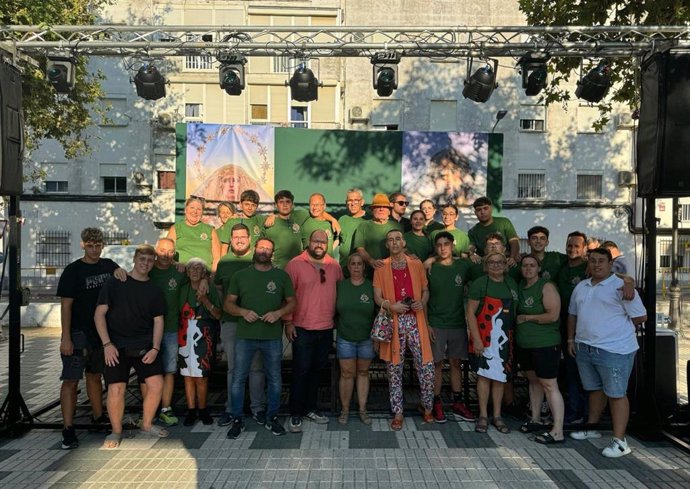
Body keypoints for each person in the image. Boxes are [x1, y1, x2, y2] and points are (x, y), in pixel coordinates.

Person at [567, 248, 647, 458]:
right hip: (585, 347)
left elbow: (640, 317)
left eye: (601, 261)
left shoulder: (621, 286)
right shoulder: (581, 287)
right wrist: (571, 339)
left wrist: (613, 327)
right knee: (594, 390)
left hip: (614, 349)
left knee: (616, 394)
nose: (597, 265)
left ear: (610, 264)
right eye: (592, 261)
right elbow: (572, 314)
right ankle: (593, 427)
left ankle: (620, 441)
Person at [94, 244, 169, 449]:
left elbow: (158, 321)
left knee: (156, 384)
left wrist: (155, 348)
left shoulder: (154, 290)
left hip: (144, 344)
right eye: (142, 259)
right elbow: (99, 314)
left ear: (153, 263)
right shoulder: (116, 282)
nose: (145, 263)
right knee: (116, 388)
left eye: (150, 260)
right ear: (134, 259)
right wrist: (107, 344)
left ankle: (146, 424)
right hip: (115, 345)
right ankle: (116, 430)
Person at [57, 228, 122, 449]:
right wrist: (66, 337)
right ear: (83, 245)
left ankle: (97, 417)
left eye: (98, 244)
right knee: (70, 381)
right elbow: (66, 306)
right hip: (78, 332)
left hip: (100, 334)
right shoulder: (73, 270)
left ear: (102, 245)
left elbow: (122, 278)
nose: (94, 248)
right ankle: (68, 428)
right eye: (90, 245)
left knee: (95, 376)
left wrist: (122, 272)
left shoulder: (109, 265)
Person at [224, 238, 296, 439]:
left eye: (268, 249)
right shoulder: (240, 276)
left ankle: (272, 417)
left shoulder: (281, 276)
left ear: (272, 253)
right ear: (255, 249)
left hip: (272, 337)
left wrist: (279, 313)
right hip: (244, 336)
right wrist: (242, 311)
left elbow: (292, 302)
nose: (264, 251)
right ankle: (237, 418)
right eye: (261, 247)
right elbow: (228, 304)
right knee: (238, 378)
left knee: (274, 378)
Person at [373, 229, 434, 431]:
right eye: (390, 240)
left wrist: (421, 303)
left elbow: (425, 290)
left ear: (404, 242)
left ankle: (427, 407)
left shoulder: (416, 265)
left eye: (398, 239)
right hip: (395, 322)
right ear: (387, 245)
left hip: (416, 321)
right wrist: (392, 306)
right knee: (394, 369)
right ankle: (398, 411)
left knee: (425, 367)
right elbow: (378, 298)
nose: (394, 242)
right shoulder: (381, 268)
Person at [285, 230, 344, 433]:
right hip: (302, 328)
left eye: (323, 241)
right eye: (315, 240)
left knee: (317, 371)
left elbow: (341, 293)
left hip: (326, 328)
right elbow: (287, 296)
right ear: (308, 242)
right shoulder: (295, 264)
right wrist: (288, 322)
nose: (319, 244)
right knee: (300, 371)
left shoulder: (334, 266)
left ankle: (311, 408)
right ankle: (295, 413)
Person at [215, 223, 266, 427]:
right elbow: (219, 289)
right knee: (233, 369)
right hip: (231, 323)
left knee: (256, 368)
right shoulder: (224, 261)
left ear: (249, 239)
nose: (238, 240)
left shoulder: (258, 260)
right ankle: (231, 409)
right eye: (235, 237)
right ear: (231, 239)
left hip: (255, 323)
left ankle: (257, 408)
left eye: (242, 237)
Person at [466, 251, 519, 435]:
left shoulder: (511, 283)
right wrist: (477, 339)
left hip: (505, 340)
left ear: (505, 265)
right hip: (484, 337)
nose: (496, 265)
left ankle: (497, 415)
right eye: (491, 263)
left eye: (499, 262)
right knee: (483, 376)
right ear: (486, 266)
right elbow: (470, 313)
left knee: (499, 377)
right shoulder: (480, 284)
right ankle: (482, 415)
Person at [516, 254, 565, 444]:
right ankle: (535, 419)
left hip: (545, 344)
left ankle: (557, 430)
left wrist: (527, 318)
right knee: (533, 381)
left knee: (549, 385)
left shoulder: (546, 286)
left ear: (538, 268)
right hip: (525, 345)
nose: (528, 268)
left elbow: (552, 316)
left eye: (532, 265)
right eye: (525, 265)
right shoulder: (521, 286)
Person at [427, 232, 474, 423]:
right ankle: (436, 402)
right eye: (439, 245)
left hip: (457, 323)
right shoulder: (430, 267)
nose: (443, 248)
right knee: (436, 364)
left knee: (456, 363)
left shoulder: (463, 266)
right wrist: (427, 323)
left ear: (452, 246)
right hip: (436, 322)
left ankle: (457, 402)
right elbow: (423, 295)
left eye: (446, 244)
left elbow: (479, 277)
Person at [178, 258, 221, 426]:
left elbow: (218, 314)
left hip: (204, 335)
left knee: (201, 376)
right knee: (187, 375)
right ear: (187, 273)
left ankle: (202, 409)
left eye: (199, 269)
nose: (195, 272)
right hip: (184, 334)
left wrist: (205, 301)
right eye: (191, 269)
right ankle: (191, 410)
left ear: (204, 273)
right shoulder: (182, 290)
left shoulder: (210, 290)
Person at [149, 238, 186, 427]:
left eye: (170, 251)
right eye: (162, 251)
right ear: (156, 250)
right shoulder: (147, 270)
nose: (166, 255)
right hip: (147, 331)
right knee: (147, 371)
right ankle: (149, 409)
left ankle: (166, 408)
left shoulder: (179, 272)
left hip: (171, 328)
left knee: (169, 370)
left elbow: (198, 277)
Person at [335, 253, 376, 425]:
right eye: (353, 264)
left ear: (363, 267)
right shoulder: (340, 286)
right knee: (346, 374)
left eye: (360, 264)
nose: (357, 267)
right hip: (345, 337)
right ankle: (345, 410)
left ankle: (362, 409)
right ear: (348, 267)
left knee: (363, 373)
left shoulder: (371, 286)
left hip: (366, 338)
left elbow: (378, 313)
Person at [556, 231, 590, 425]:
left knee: (583, 373)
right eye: (570, 245)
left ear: (584, 248)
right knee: (568, 372)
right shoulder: (560, 266)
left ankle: (586, 413)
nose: (572, 249)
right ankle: (572, 410)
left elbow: (614, 274)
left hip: (583, 329)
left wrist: (628, 281)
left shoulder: (589, 268)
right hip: (561, 328)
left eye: (577, 246)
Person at [167, 197, 221, 271]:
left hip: (204, 275)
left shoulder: (210, 230)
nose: (195, 212)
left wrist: (212, 275)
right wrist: (176, 263)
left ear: (202, 212)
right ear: (185, 210)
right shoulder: (176, 228)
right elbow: (167, 254)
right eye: (192, 208)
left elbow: (217, 257)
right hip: (182, 273)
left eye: (199, 209)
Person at [353, 193, 403, 273]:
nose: (381, 209)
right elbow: (360, 249)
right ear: (372, 210)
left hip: (392, 271)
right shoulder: (363, 226)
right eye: (378, 207)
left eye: (384, 207)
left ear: (389, 211)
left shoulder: (397, 226)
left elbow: (403, 248)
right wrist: (371, 261)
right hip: (368, 272)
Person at [263, 190, 310, 269]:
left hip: (296, 268)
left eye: (288, 202)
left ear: (292, 204)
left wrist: (333, 220)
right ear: (276, 205)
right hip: (275, 268)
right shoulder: (268, 222)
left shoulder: (299, 216)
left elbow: (317, 212)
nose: (285, 205)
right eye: (281, 202)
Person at [468, 196, 520, 264]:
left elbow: (514, 242)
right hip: (485, 263)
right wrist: (471, 254)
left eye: (485, 208)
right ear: (475, 213)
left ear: (491, 209)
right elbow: (470, 248)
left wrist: (512, 258)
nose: (482, 212)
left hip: (506, 261)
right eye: (479, 209)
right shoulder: (473, 231)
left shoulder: (504, 222)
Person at [338, 188, 368, 271]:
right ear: (346, 203)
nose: (352, 204)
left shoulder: (369, 219)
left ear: (362, 202)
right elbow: (336, 242)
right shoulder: (342, 220)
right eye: (350, 201)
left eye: (356, 200)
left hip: (364, 269)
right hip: (344, 268)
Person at [301, 193, 338, 257]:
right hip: (310, 264)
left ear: (324, 206)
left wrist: (330, 250)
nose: (315, 207)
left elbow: (338, 238)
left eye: (318, 204)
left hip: (329, 265)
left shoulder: (330, 223)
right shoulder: (304, 219)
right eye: (312, 204)